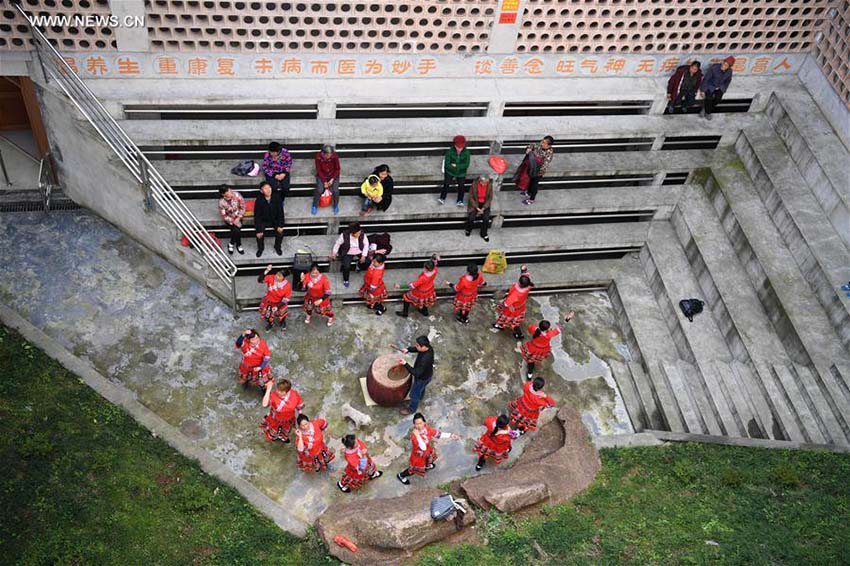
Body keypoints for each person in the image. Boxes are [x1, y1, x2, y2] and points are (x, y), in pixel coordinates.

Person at [396, 412, 460, 485]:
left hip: (427, 452)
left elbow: (437, 434)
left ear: (424, 422)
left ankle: (427, 466)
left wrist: (451, 435)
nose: (419, 426)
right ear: (414, 424)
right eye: (416, 424)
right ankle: (401, 475)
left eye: (420, 423)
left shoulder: (426, 428)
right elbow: (423, 447)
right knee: (413, 470)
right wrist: (418, 436)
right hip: (418, 456)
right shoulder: (414, 436)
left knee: (429, 461)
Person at [521, 312, 575, 379]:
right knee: (534, 360)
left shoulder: (534, 329)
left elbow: (530, 328)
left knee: (530, 360)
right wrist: (567, 319)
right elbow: (561, 328)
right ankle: (530, 371)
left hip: (533, 347)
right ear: (547, 329)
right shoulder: (549, 334)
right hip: (542, 349)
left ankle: (529, 374)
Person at [391, 336, 436, 416]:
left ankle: (412, 409)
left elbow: (416, 373)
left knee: (414, 395)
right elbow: (417, 349)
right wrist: (408, 349)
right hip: (427, 375)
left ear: (424, 347)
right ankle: (421, 396)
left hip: (421, 378)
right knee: (421, 388)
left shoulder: (425, 360)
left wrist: (405, 364)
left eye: (418, 345)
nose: (416, 346)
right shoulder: (428, 348)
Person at [492, 265, 533, 339]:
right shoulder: (528, 287)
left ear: (520, 283)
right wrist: (524, 270)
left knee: (512, 323)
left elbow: (506, 304)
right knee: (515, 321)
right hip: (520, 307)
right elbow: (525, 275)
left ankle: (517, 333)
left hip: (512, 310)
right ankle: (518, 334)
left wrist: (501, 306)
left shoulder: (516, 294)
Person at [259, 378, 303, 444]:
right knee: (273, 433)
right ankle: (273, 437)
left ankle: (283, 437)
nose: (277, 392)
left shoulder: (294, 394)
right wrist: (268, 390)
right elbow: (264, 404)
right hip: (275, 420)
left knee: (285, 432)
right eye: (278, 390)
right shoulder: (274, 395)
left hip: (288, 420)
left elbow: (299, 406)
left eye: (281, 391)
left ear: (287, 391)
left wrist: (300, 417)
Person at [516, 136, 554, 206]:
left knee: (534, 185)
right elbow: (532, 145)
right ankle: (528, 192)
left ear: (549, 145)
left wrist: (538, 173)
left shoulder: (549, 153)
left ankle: (531, 199)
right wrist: (529, 148)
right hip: (532, 167)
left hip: (538, 171)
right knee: (529, 181)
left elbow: (545, 164)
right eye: (542, 141)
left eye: (544, 143)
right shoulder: (539, 145)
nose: (541, 143)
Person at [331, 222, 369, 288]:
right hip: (347, 251)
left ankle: (359, 266)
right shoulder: (344, 235)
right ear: (352, 233)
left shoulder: (362, 234)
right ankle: (346, 280)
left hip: (359, 250)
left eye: (359, 232)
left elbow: (366, 244)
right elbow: (337, 244)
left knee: (367, 261)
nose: (359, 234)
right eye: (357, 233)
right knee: (346, 266)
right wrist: (334, 253)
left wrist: (363, 255)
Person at [253, 181, 285, 258]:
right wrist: (258, 230)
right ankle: (261, 248)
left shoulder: (276, 197)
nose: (268, 190)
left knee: (280, 233)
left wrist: (280, 225)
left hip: (274, 219)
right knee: (259, 235)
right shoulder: (259, 200)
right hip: (264, 220)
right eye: (265, 188)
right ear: (261, 191)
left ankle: (277, 247)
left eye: (269, 187)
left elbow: (281, 212)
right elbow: (257, 216)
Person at [257, 264, 292, 330]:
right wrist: (266, 271)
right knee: (267, 315)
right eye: (277, 274)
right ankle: (270, 324)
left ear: (284, 278)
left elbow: (286, 299)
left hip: (280, 302)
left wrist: (277, 306)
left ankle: (282, 321)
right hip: (269, 300)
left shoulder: (287, 286)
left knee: (282, 314)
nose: (277, 276)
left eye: (280, 276)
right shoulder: (271, 278)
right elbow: (260, 280)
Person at [439, 135, 471, 206]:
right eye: (457, 147)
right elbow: (447, 165)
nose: (459, 149)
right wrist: (459, 167)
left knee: (461, 186)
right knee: (446, 184)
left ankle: (460, 200)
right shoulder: (449, 151)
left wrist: (456, 166)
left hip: (461, 173)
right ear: (454, 145)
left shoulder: (467, 152)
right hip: (450, 172)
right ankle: (442, 198)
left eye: (461, 147)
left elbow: (466, 165)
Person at [301, 262, 335, 326]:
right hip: (310, 297)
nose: (314, 274)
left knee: (322, 311)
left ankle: (331, 317)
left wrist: (321, 300)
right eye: (313, 273)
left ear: (319, 272)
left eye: (316, 273)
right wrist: (302, 280)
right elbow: (303, 289)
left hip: (321, 298)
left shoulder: (324, 279)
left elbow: (328, 292)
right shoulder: (307, 276)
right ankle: (309, 315)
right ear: (310, 271)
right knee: (309, 307)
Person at [313, 144, 341, 215]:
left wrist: (332, 179)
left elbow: (337, 169)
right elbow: (319, 170)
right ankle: (314, 205)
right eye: (328, 155)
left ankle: (335, 205)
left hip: (333, 175)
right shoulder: (318, 157)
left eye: (330, 155)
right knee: (319, 189)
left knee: (335, 190)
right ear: (323, 153)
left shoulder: (334, 156)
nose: (329, 157)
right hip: (322, 175)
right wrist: (324, 181)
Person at [218, 184, 245, 255]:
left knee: (236, 230)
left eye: (230, 190)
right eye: (228, 192)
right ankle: (238, 244)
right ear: (223, 194)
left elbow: (243, 207)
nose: (231, 192)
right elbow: (224, 215)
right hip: (229, 219)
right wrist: (233, 221)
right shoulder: (221, 202)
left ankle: (231, 243)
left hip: (238, 216)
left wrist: (238, 218)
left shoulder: (237, 195)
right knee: (237, 230)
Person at [465, 175, 493, 242]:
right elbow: (471, 197)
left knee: (486, 219)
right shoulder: (474, 185)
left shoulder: (489, 185)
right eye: (484, 182)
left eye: (486, 182)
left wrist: (483, 208)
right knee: (471, 218)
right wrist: (477, 207)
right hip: (475, 203)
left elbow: (490, 198)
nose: (485, 184)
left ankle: (484, 234)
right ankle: (468, 230)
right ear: (480, 181)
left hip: (484, 203)